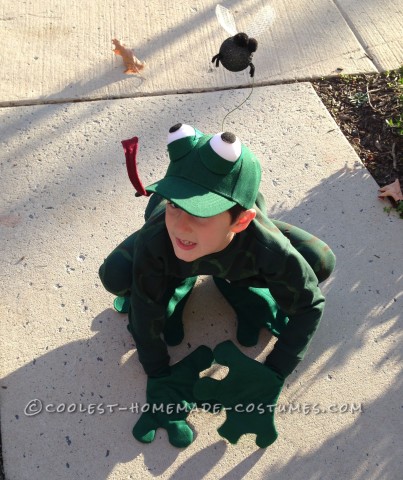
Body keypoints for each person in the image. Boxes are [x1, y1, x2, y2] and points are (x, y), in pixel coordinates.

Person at [98, 123, 336, 447]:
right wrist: (157, 372)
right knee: (114, 275)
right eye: (174, 205)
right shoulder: (160, 237)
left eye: (199, 214)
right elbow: (144, 308)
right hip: (173, 264)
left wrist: (274, 372)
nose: (180, 225)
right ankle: (178, 285)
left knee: (320, 262)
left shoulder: (264, 246)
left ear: (241, 221)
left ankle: (237, 286)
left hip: (240, 258)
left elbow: (310, 304)